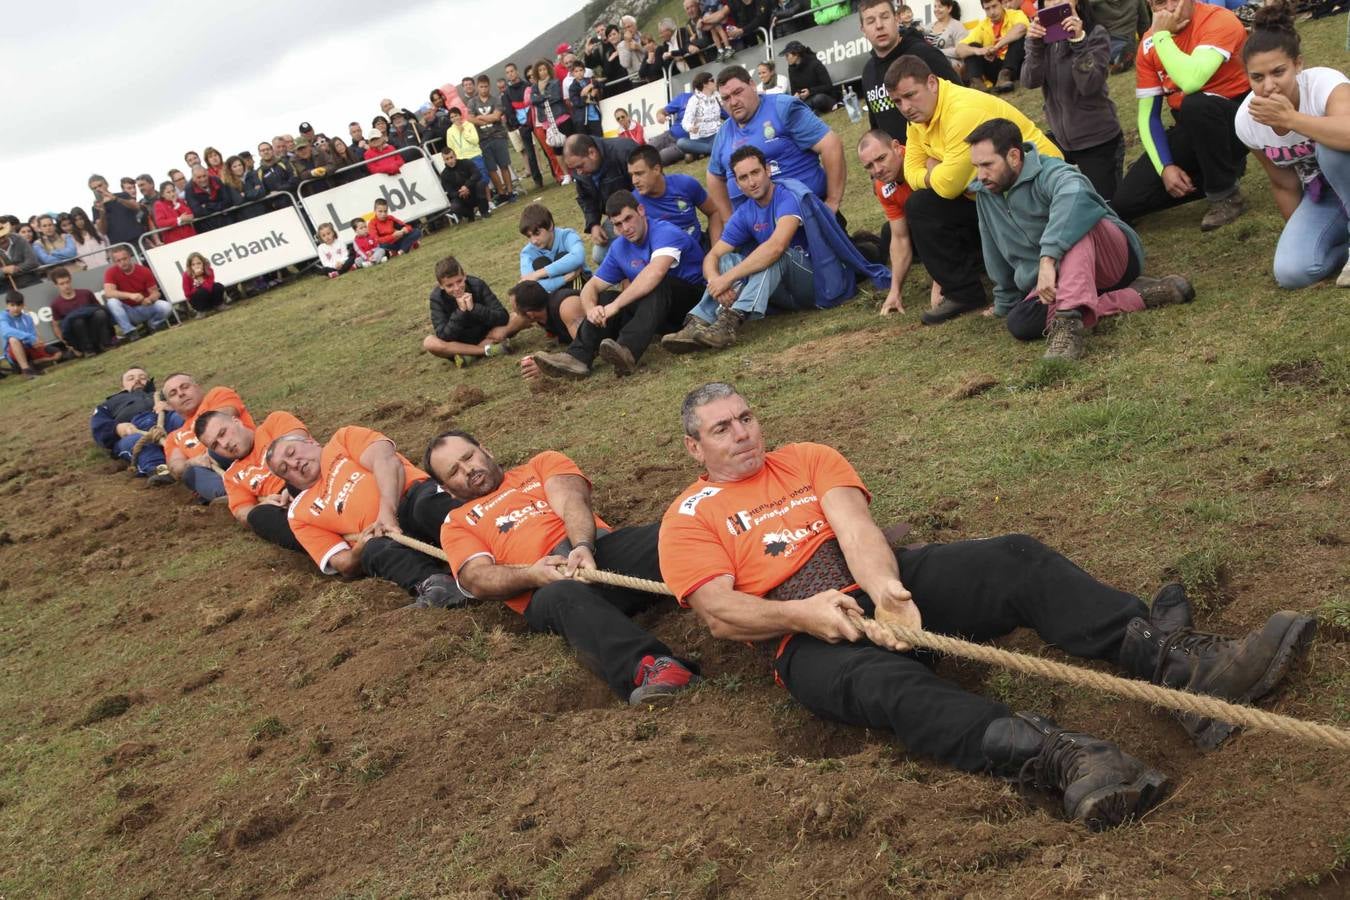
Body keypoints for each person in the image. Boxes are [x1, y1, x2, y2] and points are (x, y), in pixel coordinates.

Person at [661, 383, 1318, 826]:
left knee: (1012, 557)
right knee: (897, 691)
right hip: (799, 636)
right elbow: (721, 611)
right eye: (722, 429)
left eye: (746, 418)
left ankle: (1178, 665)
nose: (743, 434)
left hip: (876, 582)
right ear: (695, 447)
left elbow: (855, 529)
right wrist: (804, 615)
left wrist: (886, 592)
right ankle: (1062, 759)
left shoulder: (806, 458)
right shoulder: (687, 518)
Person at [427, 431, 699, 705]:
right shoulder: (456, 523)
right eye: (454, 471)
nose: (469, 469)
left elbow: (570, 500)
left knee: (669, 535)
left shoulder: (540, 465)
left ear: (486, 450)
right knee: (562, 595)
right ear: (447, 489)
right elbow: (476, 577)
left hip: (598, 553)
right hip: (548, 589)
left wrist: (581, 545)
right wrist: (532, 574)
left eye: (468, 457)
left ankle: (737, 575)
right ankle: (649, 669)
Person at [966, 118, 1194, 360]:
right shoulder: (987, 195)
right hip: (1060, 280)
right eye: (976, 166)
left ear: (1013, 156)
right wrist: (1005, 301)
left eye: (987, 165)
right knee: (1022, 323)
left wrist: (1047, 258)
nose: (981, 175)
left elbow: (1075, 196)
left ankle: (1068, 323)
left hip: (1112, 260)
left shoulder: (1051, 171)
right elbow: (992, 246)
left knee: (1076, 218)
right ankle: (1140, 295)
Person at [885, 54, 1061, 324]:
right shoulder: (919, 119)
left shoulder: (962, 110)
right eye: (898, 101)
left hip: (1038, 187)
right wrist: (936, 173)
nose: (906, 107)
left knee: (933, 201)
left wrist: (933, 169)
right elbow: (910, 172)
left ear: (932, 83)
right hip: (991, 190)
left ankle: (1031, 278)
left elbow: (947, 185)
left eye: (910, 95)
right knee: (920, 205)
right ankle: (964, 292)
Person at [662, 146, 890, 354]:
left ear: (768, 171)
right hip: (780, 292)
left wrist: (728, 279)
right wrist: (715, 281)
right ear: (738, 184)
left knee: (775, 254)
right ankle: (699, 322)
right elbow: (713, 255)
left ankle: (730, 320)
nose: (751, 182)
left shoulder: (787, 197)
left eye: (755, 173)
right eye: (743, 177)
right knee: (727, 259)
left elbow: (776, 246)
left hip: (816, 284)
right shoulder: (744, 212)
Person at [266, 427, 463, 608]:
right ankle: (439, 587)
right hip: (385, 538)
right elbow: (342, 563)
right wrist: (358, 549)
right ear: (288, 481)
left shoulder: (342, 439)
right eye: (285, 469)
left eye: (291, 453)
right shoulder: (299, 514)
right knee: (374, 550)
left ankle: (483, 536)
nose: (293, 464)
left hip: (411, 499)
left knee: (425, 506)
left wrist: (387, 512)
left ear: (310, 442)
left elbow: (386, 460)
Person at [1233, 3, 1350, 289]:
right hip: (1325, 197)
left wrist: (1292, 119)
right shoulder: (1247, 121)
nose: (1268, 86)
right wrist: (1299, 236)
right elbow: (1283, 183)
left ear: (1298, 64)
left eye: (1278, 72)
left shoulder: (1325, 83)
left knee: (1329, 148)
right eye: (1257, 78)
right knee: (1292, 272)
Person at [532, 190, 706, 379]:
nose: (626, 228)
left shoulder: (665, 232)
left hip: (692, 307)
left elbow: (654, 274)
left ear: (641, 210)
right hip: (657, 312)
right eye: (618, 224)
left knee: (656, 283)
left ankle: (627, 350)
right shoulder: (619, 248)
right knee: (603, 298)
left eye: (628, 219)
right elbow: (592, 286)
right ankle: (577, 358)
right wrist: (591, 309)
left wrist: (616, 305)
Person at [1112, 0, 1252, 231]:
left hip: (1238, 120)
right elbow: (1148, 116)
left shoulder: (1217, 20)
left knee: (1195, 103)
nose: (1166, 8)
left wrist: (1161, 37)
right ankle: (1224, 171)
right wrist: (1164, 166)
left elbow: (1191, 81)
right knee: (1125, 203)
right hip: (1190, 125)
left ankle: (1225, 195)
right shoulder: (1147, 43)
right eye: (1157, 3)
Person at [706, 66, 845, 213]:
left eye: (737, 92)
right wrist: (728, 220)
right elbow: (713, 176)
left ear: (752, 85)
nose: (733, 102)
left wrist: (833, 201)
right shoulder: (724, 131)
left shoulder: (782, 108)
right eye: (726, 98)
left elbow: (831, 144)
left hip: (805, 214)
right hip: (755, 226)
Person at [1023, 0, 1125, 198]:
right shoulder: (1045, 40)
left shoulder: (1095, 33)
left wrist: (1079, 42)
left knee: (1108, 208)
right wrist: (1034, 45)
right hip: (1062, 138)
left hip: (1097, 139)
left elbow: (1090, 85)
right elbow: (1029, 81)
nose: (1057, 2)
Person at [193, 410, 307, 552]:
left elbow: (300, 449)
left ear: (237, 421)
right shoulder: (232, 477)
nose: (224, 444)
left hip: (307, 482)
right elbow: (243, 513)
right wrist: (263, 505)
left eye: (222, 433)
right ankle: (323, 550)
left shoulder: (274, 423)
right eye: (215, 445)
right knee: (257, 517)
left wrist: (288, 489)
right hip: (284, 507)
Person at [860, 0, 962, 144]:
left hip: (941, 153)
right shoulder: (868, 72)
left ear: (896, 19)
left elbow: (960, 102)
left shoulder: (924, 54)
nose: (879, 25)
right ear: (863, 30)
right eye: (870, 21)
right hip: (902, 162)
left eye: (885, 17)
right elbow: (877, 126)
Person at [854, 131, 922, 316]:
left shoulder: (920, 161)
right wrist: (895, 291)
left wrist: (942, 283)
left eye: (881, 158)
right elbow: (900, 237)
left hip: (962, 221)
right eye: (869, 166)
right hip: (927, 228)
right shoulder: (882, 186)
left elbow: (943, 219)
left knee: (921, 208)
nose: (877, 170)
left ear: (897, 147)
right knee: (889, 233)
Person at [162, 373, 253, 501]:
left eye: (185, 387)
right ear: (170, 405)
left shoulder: (217, 395)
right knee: (190, 473)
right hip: (213, 472)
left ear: (198, 387)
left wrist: (208, 455)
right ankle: (233, 498)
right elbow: (175, 467)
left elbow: (223, 423)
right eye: (173, 393)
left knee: (217, 446)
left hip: (243, 452)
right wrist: (192, 462)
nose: (181, 394)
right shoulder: (174, 437)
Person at [90, 367, 182, 484]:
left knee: (179, 419)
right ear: (122, 386)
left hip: (166, 421)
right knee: (135, 441)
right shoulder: (108, 404)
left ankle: (202, 451)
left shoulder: (162, 394)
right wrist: (118, 429)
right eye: (131, 378)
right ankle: (161, 471)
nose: (137, 380)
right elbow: (99, 426)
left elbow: (189, 404)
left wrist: (172, 406)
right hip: (134, 430)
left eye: (142, 378)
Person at [561, 134, 640, 265]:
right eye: (575, 168)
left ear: (592, 153)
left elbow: (647, 188)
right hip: (615, 219)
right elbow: (586, 199)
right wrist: (593, 224)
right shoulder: (581, 171)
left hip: (641, 213)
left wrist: (629, 220)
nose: (578, 172)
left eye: (580, 166)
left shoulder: (624, 151)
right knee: (600, 256)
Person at [422, 255, 514, 366]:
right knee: (429, 342)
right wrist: (461, 312)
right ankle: (487, 350)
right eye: (450, 285)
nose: (456, 288)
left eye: (459, 281)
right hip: (459, 344)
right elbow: (443, 336)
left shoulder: (477, 284)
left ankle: (469, 355)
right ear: (441, 286)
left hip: (487, 335)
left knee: (519, 316)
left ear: (465, 276)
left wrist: (474, 308)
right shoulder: (436, 298)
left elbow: (503, 317)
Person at [627, 145, 726, 246]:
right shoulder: (633, 204)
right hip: (664, 258)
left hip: (700, 248)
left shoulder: (685, 184)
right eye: (631, 175)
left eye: (639, 174)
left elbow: (714, 212)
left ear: (656, 169)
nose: (634, 181)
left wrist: (715, 253)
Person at [510, 280, 586, 383]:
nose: (515, 314)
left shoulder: (567, 307)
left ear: (530, 315)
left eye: (516, 312)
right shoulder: (542, 314)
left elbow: (585, 349)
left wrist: (548, 366)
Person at [956, 0, 1031, 93]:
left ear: (1002, 4)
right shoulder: (983, 25)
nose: (992, 12)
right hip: (995, 68)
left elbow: (1021, 28)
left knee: (1020, 38)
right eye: (987, 8)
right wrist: (978, 51)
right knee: (972, 46)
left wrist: (997, 47)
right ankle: (978, 84)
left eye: (994, 6)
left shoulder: (1015, 14)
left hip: (1017, 65)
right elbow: (959, 49)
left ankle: (1005, 75)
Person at [103, 246, 171, 337]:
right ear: (114, 262)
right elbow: (108, 292)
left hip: (144, 306)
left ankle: (154, 324)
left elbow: (156, 292)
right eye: (118, 261)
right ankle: (130, 331)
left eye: (124, 259)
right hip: (126, 311)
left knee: (166, 306)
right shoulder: (110, 272)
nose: (122, 262)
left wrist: (149, 299)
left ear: (130, 257)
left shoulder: (144, 271)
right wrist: (130, 295)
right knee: (112, 302)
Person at [469, 75, 515, 202]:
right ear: (477, 87)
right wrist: (487, 118)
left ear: (489, 86)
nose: (484, 89)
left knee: (504, 165)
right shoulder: (472, 102)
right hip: (483, 139)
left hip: (498, 135)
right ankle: (501, 193)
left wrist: (480, 118)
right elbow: (470, 119)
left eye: (486, 86)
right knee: (491, 169)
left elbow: (496, 117)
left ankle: (510, 192)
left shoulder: (496, 100)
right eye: (481, 87)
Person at [47, 267, 114, 356]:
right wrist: (69, 346)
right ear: (56, 285)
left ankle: (106, 344)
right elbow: (56, 326)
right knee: (77, 321)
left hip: (95, 331)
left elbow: (100, 309)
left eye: (67, 282)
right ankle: (88, 350)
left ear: (71, 280)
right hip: (79, 339)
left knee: (100, 313)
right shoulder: (56, 304)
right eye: (62, 284)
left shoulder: (86, 293)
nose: (66, 286)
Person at [503, 62, 546, 191]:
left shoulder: (528, 86)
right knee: (530, 154)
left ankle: (557, 174)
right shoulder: (507, 93)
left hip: (536, 121)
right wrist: (519, 125)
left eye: (512, 71)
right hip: (523, 127)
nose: (510, 74)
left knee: (546, 146)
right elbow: (509, 112)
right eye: (508, 72)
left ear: (516, 71)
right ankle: (538, 181)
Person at [528, 61, 571, 185]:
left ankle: (576, 170)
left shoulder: (555, 82)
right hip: (547, 122)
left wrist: (541, 98)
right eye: (540, 70)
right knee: (557, 149)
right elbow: (533, 100)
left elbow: (556, 97)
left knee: (569, 144)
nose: (543, 72)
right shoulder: (534, 87)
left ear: (549, 70)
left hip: (561, 117)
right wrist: (545, 97)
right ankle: (566, 174)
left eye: (544, 69)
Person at [1090, 0, 1152, 72]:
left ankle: (1119, 57)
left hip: (1106, 40)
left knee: (1102, 48)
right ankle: (1120, 57)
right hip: (1123, 40)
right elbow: (1144, 24)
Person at [1, 292, 53, 378]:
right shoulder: (2, 316)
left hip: (28, 349)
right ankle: (27, 370)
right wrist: (30, 337)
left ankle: (34, 363)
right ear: (7, 305)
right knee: (13, 339)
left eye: (18, 305)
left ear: (23, 305)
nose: (16, 308)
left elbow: (33, 338)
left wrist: (36, 342)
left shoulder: (28, 318)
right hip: (12, 353)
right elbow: (6, 331)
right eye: (12, 305)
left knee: (57, 353)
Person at [89, 174, 145, 248]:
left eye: (100, 185)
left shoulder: (123, 195)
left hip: (138, 239)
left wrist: (116, 199)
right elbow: (102, 231)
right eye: (94, 188)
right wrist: (102, 212)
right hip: (119, 246)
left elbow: (136, 207)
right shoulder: (96, 207)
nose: (98, 189)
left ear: (106, 184)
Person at [781, 40, 838, 113]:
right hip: (807, 100)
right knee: (793, 106)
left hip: (824, 97)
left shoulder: (814, 63)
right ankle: (813, 111)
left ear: (796, 54)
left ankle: (811, 111)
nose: (786, 58)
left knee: (818, 99)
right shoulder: (791, 69)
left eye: (787, 55)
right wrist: (797, 95)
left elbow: (828, 86)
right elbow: (794, 90)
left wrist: (810, 91)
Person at [438, 147, 492, 224]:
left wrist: (467, 186)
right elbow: (450, 192)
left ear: (455, 156)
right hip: (461, 198)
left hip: (475, 192)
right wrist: (461, 193)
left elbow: (477, 174)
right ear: (444, 160)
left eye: (451, 157)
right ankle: (470, 216)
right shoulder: (444, 175)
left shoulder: (466, 162)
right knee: (454, 207)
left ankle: (484, 212)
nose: (450, 161)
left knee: (481, 184)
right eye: (447, 159)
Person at [680, 72, 724, 158]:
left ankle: (700, 152)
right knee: (681, 142)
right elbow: (685, 122)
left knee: (727, 133)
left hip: (716, 134)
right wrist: (691, 128)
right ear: (705, 84)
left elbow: (727, 107)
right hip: (700, 138)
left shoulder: (717, 95)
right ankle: (712, 149)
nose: (715, 82)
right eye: (712, 80)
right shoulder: (694, 100)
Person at [443, 108, 487, 184]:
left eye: (456, 116)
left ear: (460, 115)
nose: (454, 118)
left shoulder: (469, 125)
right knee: (472, 183)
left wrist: (463, 130)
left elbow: (475, 141)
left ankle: (489, 196)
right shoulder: (449, 131)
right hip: (462, 161)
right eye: (452, 117)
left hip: (475, 156)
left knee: (484, 179)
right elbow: (450, 148)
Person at [184, 166, 228, 231]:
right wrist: (219, 207)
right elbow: (197, 212)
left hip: (225, 221)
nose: (203, 179)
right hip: (206, 227)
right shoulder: (189, 188)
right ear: (193, 178)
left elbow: (227, 201)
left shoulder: (216, 180)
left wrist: (207, 205)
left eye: (204, 176)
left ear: (208, 174)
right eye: (199, 177)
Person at [569, 62, 605, 138]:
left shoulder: (590, 81)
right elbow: (577, 103)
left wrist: (591, 85)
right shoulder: (572, 88)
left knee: (600, 138)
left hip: (595, 116)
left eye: (581, 70)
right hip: (582, 120)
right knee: (588, 142)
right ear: (572, 73)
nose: (579, 73)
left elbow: (602, 83)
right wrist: (590, 96)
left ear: (584, 71)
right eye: (576, 71)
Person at [0, 222, 40, 288]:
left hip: (30, 281)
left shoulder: (19, 239)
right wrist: (4, 270)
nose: (2, 240)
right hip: (6, 287)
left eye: (3, 236)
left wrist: (17, 269)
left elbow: (33, 262)